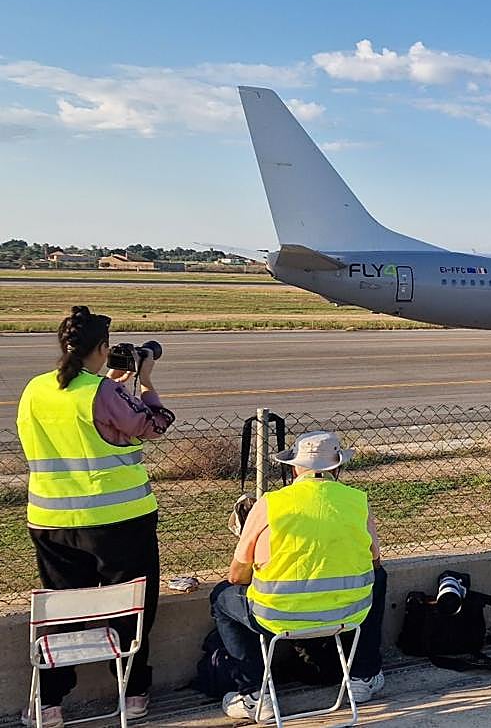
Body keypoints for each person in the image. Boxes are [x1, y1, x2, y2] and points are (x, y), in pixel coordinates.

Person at [17, 306, 175, 728]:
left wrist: (113, 388)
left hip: (50, 520)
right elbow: (154, 425)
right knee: (131, 607)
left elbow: (77, 424)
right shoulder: (101, 392)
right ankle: (133, 692)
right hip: (119, 519)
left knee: (64, 608)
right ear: (103, 349)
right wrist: (145, 383)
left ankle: (49, 702)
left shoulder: (35, 388)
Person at [210, 431, 386, 722]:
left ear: (294, 467)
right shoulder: (356, 501)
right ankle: (363, 677)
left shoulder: (270, 503)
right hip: (349, 613)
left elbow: (236, 575)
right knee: (378, 581)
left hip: (277, 617)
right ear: (336, 468)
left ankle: (255, 694)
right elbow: (374, 561)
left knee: (221, 598)